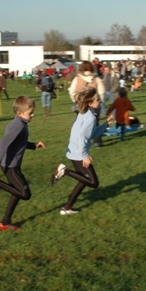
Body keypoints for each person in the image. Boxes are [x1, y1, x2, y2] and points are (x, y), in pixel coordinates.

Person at [0, 96, 47, 231]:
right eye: (30, 113)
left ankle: (5, 223)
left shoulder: (20, 124)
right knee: (25, 194)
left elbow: (19, 143)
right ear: (19, 113)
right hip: (10, 166)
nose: (33, 115)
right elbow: (3, 142)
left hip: (13, 165)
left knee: (17, 193)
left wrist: (34, 145)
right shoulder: (17, 126)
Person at [51, 87, 113, 215]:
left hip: (74, 151)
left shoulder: (84, 113)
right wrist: (84, 155)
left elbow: (92, 133)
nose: (100, 101)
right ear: (90, 103)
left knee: (83, 180)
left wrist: (106, 124)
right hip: (78, 153)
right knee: (93, 182)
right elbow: (82, 136)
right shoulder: (90, 117)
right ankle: (65, 171)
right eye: (97, 100)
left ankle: (67, 207)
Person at [68, 61, 106, 147]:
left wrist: (76, 100)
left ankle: (79, 142)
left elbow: (72, 91)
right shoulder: (96, 79)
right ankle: (97, 142)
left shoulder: (77, 79)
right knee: (95, 124)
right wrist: (100, 101)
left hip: (81, 105)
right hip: (94, 104)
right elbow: (102, 92)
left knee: (80, 124)